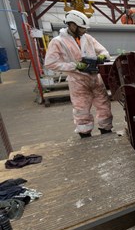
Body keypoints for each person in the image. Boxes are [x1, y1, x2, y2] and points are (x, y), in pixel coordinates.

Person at [44, 10, 113, 138]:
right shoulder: (58, 41)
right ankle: (85, 134)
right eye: (82, 28)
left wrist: (103, 55)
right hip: (77, 80)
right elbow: (50, 63)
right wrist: (74, 65)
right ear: (72, 25)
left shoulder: (87, 38)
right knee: (82, 109)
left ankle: (106, 130)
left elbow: (103, 50)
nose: (84, 31)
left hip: (95, 78)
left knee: (104, 105)